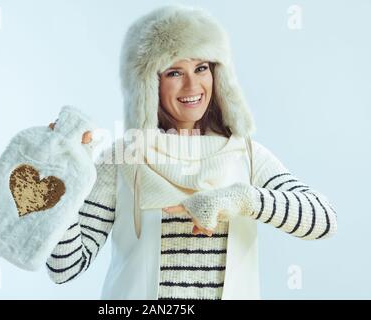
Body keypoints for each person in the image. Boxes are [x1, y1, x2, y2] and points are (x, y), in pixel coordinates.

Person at [45, 4, 337, 300]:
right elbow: (64, 268)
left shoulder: (246, 154)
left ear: (217, 74)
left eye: (201, 68)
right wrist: (65, 175)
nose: (192, 84)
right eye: (174, 72)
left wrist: (241, 198)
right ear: (149, 84)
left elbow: (324, 219)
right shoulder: (121, 159)